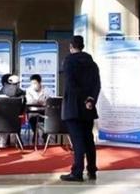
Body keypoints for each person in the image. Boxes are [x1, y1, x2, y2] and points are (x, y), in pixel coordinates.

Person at [60, 35, 101, 182]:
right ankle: (92, 170)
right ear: (83, 46)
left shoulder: (69, 61)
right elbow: (97, 84)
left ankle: (77, 172)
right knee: (88, 139)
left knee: (77, 141)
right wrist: (90, 99)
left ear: (71, 46)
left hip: (73, 107)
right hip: (88, 108)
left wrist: (83, 98)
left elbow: (71, 84)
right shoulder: (92, 63)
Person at [0, 75, 26, 149]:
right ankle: (3, 142)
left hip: (0, 121)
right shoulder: (22, 94)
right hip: (15, 122)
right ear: (18, 83)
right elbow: (22, 109)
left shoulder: (0, 92)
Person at [25, 74, 52, 143]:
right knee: (31, 118)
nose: (33, 85)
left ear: (40, 83)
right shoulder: (29, 90)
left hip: (45, 112)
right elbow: (28, 101)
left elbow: (51, 100)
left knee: (49, 117)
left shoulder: (47, 90)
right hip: (33, 111)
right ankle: (35, 133)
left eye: (35, 83)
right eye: (32, 83)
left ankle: (45, 134)